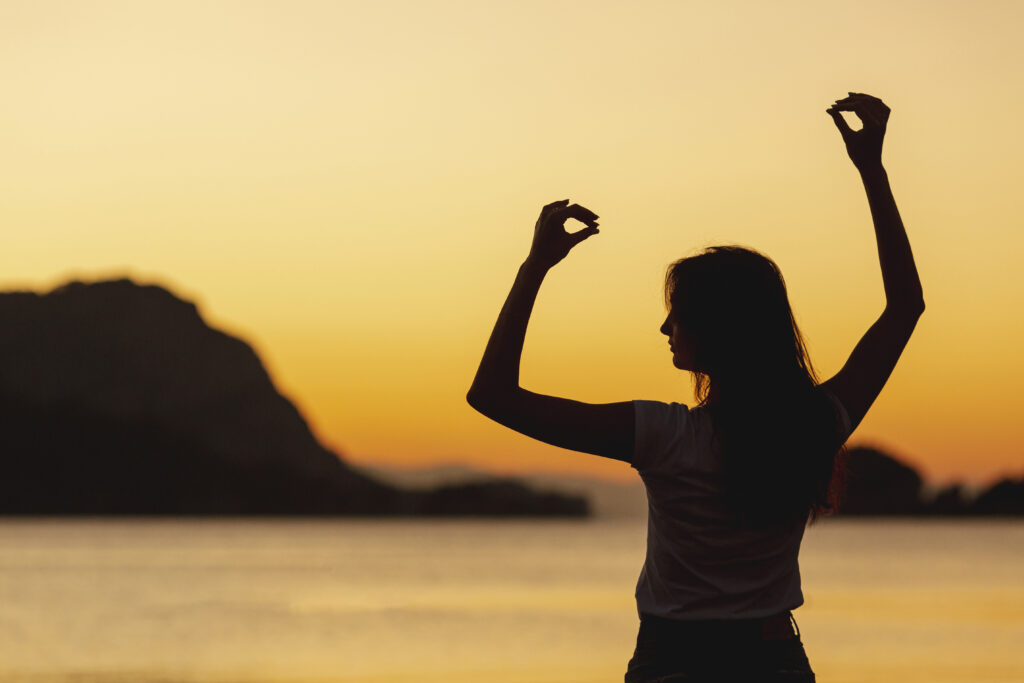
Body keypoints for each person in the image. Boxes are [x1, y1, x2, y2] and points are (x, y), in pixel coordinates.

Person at [467, 92, 924, 682]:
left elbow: (492, 396)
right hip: (773, 661)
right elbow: (905, 307)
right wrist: (872, 171)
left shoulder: (663, 434)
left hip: (673, 662)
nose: (664, 327)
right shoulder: (816, 424)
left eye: (676, 315)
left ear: (717, 331)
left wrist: (534, 267)